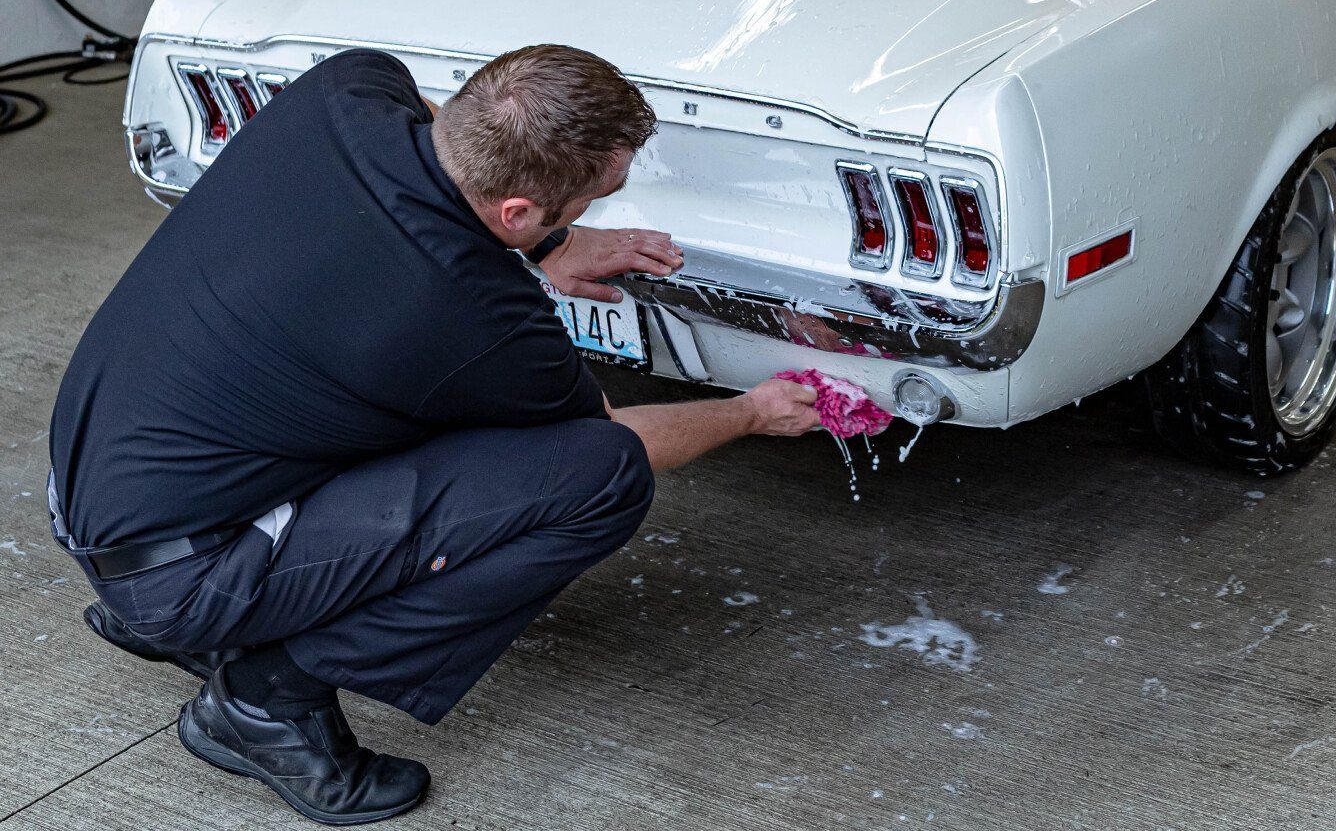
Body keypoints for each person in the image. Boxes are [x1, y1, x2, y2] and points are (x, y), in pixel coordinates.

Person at [47, 44, 819, 825]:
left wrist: (551, 241)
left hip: (94, 479)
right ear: (514, 210)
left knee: (377, 402)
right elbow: (610, 438)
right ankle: (266, 702)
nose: (596, 213)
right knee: (601, 477)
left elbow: (429, 111)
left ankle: (196, 618)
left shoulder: (348, 89)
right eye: (591, 200)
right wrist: (752, 411)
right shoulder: (477, 314)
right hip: (180, 574)